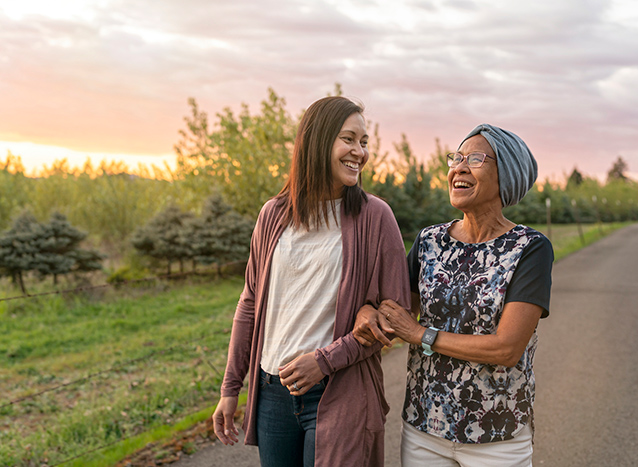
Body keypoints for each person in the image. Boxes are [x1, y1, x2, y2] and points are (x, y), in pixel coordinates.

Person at [212, 96, 410, 467]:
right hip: (273, 393)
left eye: (364, 142)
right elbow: (250, 303)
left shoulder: (375, 217)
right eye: (348, 139)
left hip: (339, 389)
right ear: (317, 141)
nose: (359, 152)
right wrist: (230, 388)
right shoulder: (273, 215)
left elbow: (393, 315)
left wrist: (325, 360)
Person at [354, 124, 553, 466]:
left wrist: (420, 334)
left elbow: (506, 348)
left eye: (475, 158)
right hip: (424, 429)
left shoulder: (530, 249)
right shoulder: (429, 241)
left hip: (498, 435)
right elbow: (396, 312)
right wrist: (367, 313)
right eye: (456, 157)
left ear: (506, 175)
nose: (459, 167)